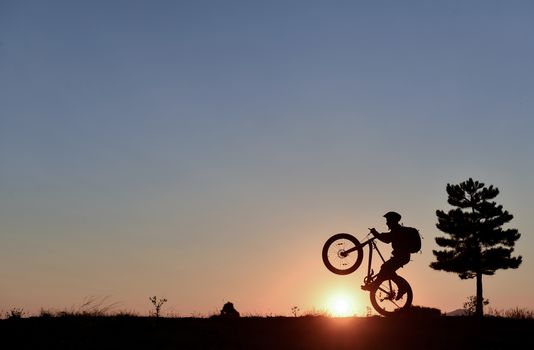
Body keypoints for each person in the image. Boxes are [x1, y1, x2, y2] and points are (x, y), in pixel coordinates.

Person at [361, 211, 413, 300]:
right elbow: (387, 237)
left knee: (385, 268)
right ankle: (375, 285)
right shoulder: (396, 230)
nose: (387, 222)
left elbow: (387, 239)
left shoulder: (398, 231)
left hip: (402, 257)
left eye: (388, 220)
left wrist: (376, 233)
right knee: (386, 270)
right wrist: (377, 234)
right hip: (401, 257)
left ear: (393, 221)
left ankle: (376, 286)